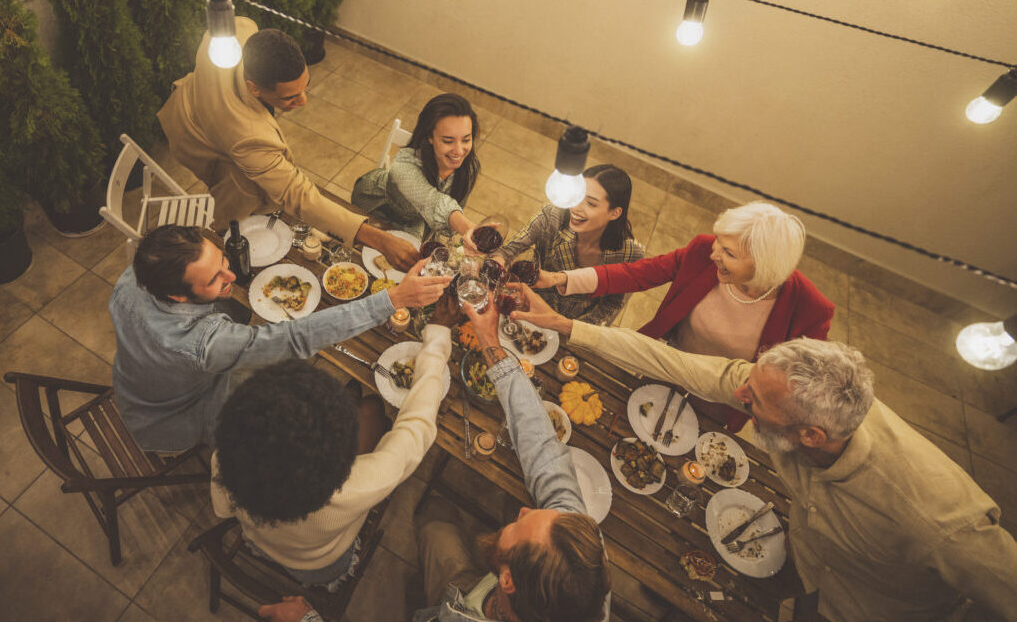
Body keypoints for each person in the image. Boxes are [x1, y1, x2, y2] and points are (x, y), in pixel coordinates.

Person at [514, 288, 1017, 622]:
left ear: (811, 436)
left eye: (754, 402)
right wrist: (567, 326)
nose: (741, 400)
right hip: (804, 565)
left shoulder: (939, 518)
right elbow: (674, 363)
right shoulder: (777, 391)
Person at [109, 224, 448, 452]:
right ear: (179, 296)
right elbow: (294, 339)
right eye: (215, 279)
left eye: (223, 259)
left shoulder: (136, 274)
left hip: (134, 383)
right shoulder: (203, 346)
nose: (231, 275)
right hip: (173, 418)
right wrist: (393, 299)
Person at [210, 296, 460, 588]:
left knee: (365, 409)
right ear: (332, 457)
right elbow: (416, 426)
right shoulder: (356, 488)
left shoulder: (230, 456)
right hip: (319, 565)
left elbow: (223, 509)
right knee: (371, 410)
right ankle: (360, 405)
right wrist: (438, 336)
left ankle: (358, 403)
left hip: (260, 539)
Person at [537, 201, 832, 429]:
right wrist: (561, 279)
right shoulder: (703, 250)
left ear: (765, 267)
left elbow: (798, 387)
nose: (714, 253)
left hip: (718, 402)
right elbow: (636, 274)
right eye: (719, 241)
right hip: (663, 367)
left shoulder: (810, 309)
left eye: (728, 253)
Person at [157, 18, 420, 271]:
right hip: (191, 132)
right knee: (244, 202)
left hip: (196, 95)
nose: (303, 101)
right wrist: (377, 238)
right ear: (254, 88)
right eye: (290, 97)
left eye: (306, 86)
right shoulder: (248, 138)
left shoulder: (238, 30)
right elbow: (296, 194)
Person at [412, 297, 611, 622]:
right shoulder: (578, 552)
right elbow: (544, 450)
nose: (525, 509)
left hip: (458, 603)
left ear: (507, 580)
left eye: (521, 524)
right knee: (436, 518)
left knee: (433, 520)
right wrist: (489, 339)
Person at [494, 164, 644, 326]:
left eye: (591, 204)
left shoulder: (630, 254)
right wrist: (498, 259)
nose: (576, 208)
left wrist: (570, 329)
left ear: (614, 213)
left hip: (573, 324)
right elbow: (509, 250)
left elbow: (612, 305)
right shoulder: (552, 215)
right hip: (527, 304)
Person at [351, 93, 481, 240]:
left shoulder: (468, 170)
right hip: (378, 207)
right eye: (448, 141)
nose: (459, 150)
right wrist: (467, 227)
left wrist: (465, 229)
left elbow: (448, 225)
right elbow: (430, 200)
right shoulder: (404, 164)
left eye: (466, 139)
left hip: (418, 223)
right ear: (430, 137)